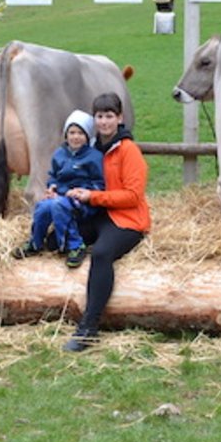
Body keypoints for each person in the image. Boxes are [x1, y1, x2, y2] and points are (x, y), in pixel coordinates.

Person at [62, 92, 151, 353]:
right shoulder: (90, 148)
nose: (104, 122)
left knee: (101, 254)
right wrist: (58, 190)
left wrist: (93, 197)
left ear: (119, 118)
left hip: (128, 219)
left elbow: (133, 196)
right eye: (99, 116)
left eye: (109, 116)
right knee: (58, 237)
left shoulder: (128, 150)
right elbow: (70, 175)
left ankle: (89, 327)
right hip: (99, 214)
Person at [13, 110, 104, 268]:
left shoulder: (94, 157)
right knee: (43, 207)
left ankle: (75, 246)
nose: (75, 137)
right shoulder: (60, 154)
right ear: (66, 135)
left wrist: (82, 192)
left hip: (82, 201)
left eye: (80, 133)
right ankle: (35, 242)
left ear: (88, 136)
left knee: (59, 205)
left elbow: (99, 183)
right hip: (62, 196)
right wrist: (52, 187)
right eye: (72, 132)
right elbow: (53, 176)